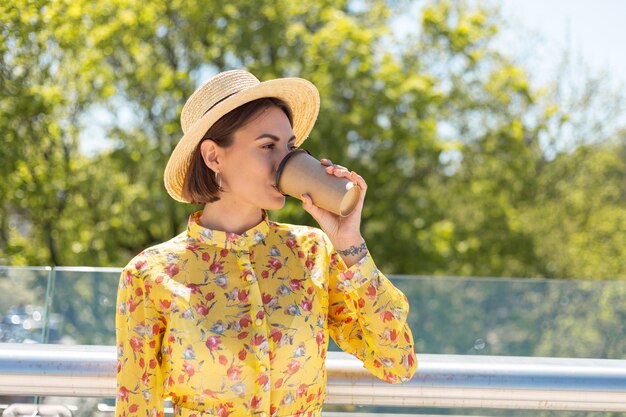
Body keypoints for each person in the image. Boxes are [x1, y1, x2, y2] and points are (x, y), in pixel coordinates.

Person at [116, 69, 417, 417]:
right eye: (267, 146)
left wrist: (351, 243)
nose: (284, 161)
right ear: (214, 157)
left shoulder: (313, 251)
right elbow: (136, 407)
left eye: (289, 147)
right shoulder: (148, 275)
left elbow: (396, 363)